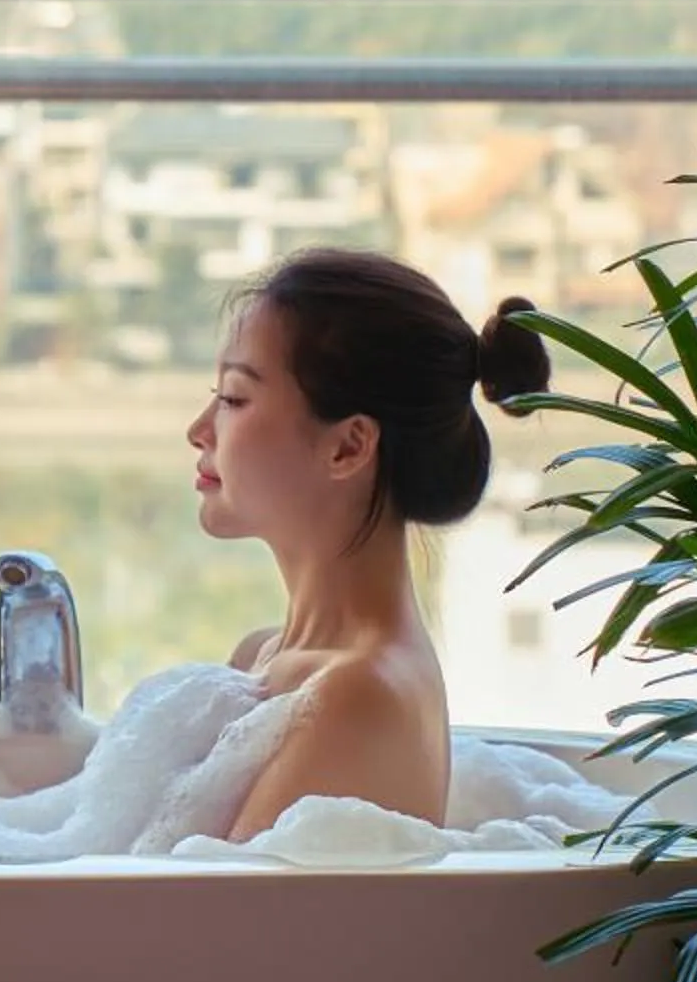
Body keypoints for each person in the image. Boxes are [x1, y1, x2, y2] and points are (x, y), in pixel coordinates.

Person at [194, 249, 550, 834]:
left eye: (234, 398)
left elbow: (203, 923)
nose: (199, 430)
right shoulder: (264, 659)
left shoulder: (360, 696)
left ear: (349, 447)